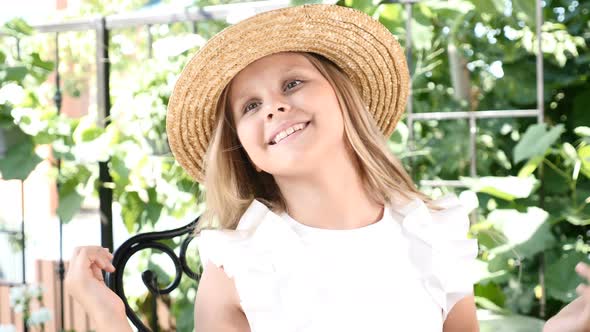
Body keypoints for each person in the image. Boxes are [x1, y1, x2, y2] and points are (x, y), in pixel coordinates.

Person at [64, 4, 590, 332]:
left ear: (344, 98)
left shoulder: (431, 234)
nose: (273, 107)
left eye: (292, 83)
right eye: (249, 106)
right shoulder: (239, 263)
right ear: (241, 147)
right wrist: (111, 320)